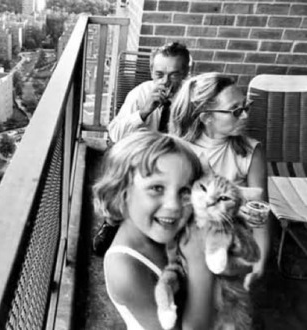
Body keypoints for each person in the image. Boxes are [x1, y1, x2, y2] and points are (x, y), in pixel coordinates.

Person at [95, 130, 214, 330]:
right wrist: (200, 264)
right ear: (121, 193)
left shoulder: (172, 232)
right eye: (157, 188)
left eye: (184, 191)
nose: (174, 205)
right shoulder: (124, 268)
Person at [169, 72, 270, 289]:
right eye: (236, 110)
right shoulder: (179, 150)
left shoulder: (251, 152)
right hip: (184, 244)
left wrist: (259, 263)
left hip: (229, 246)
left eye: (245, 107)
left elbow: (260, 213)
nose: (244, 116)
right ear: (206, 118)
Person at [93, 42, 191, 256]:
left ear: (186, 73)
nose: (165, 82)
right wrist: (144, 112)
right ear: (151, 72)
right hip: (142, 159)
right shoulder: (140, 94)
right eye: (159, 74)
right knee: (119, 172)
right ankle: (112, 222)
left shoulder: (192, 100)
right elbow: (115, 133)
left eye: (174, 75)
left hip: (177, 162)